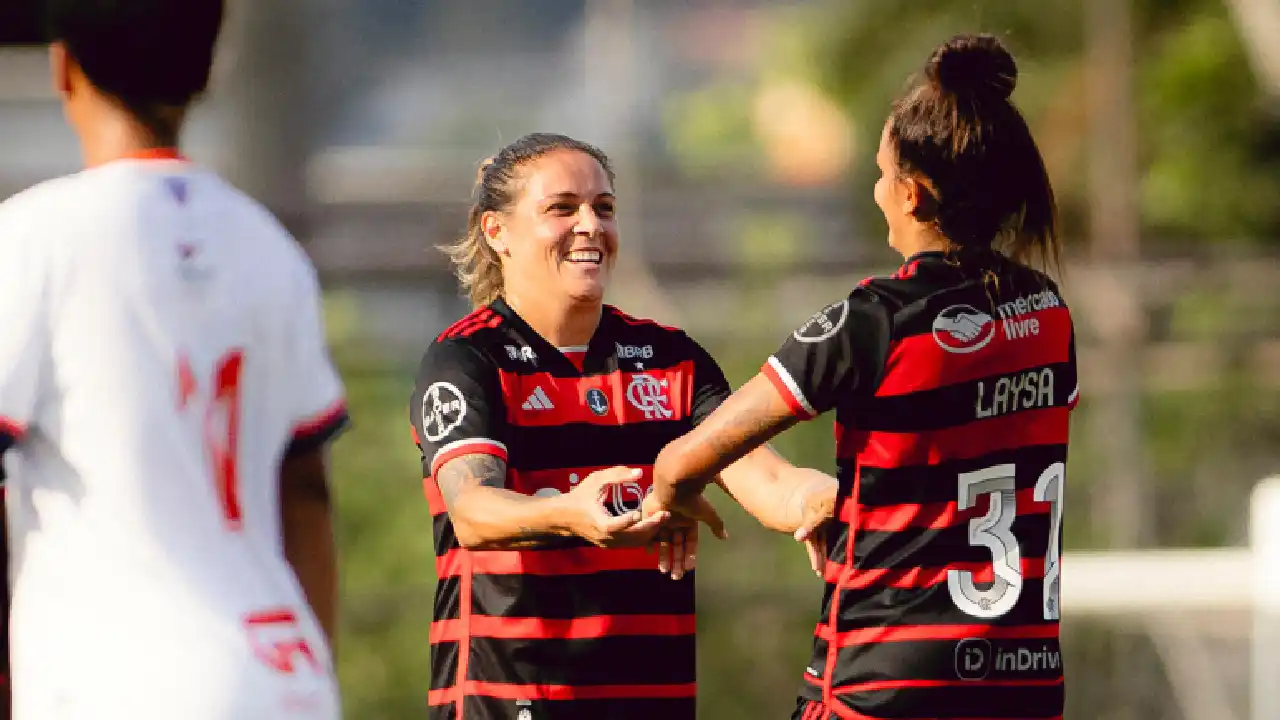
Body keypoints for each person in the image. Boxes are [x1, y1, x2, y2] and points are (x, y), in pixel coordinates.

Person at [647, 33, 1079, 720]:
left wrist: (675, 490)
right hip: (1022, 687)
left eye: (881, 175)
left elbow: (689, 458)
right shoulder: (1049, 314)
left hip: (885, 682)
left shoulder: (878, 320)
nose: (876, 191)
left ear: (911, 196)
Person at [410, 132, 837, 720]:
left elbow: (769, 481)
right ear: (497, 232)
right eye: (562, 208)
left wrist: (822, 499)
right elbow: (474, 513)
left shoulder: (670, 359)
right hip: (510, 703)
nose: (590, 225)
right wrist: (571, 514)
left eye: (603, 208)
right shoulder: (468, 359)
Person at [0, 1, 347, 717]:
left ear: (64, 66)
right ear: (208, 68)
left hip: (116, 679)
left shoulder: (36, 238)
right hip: (283, 677)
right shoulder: (269, 246)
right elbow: (306, 491)